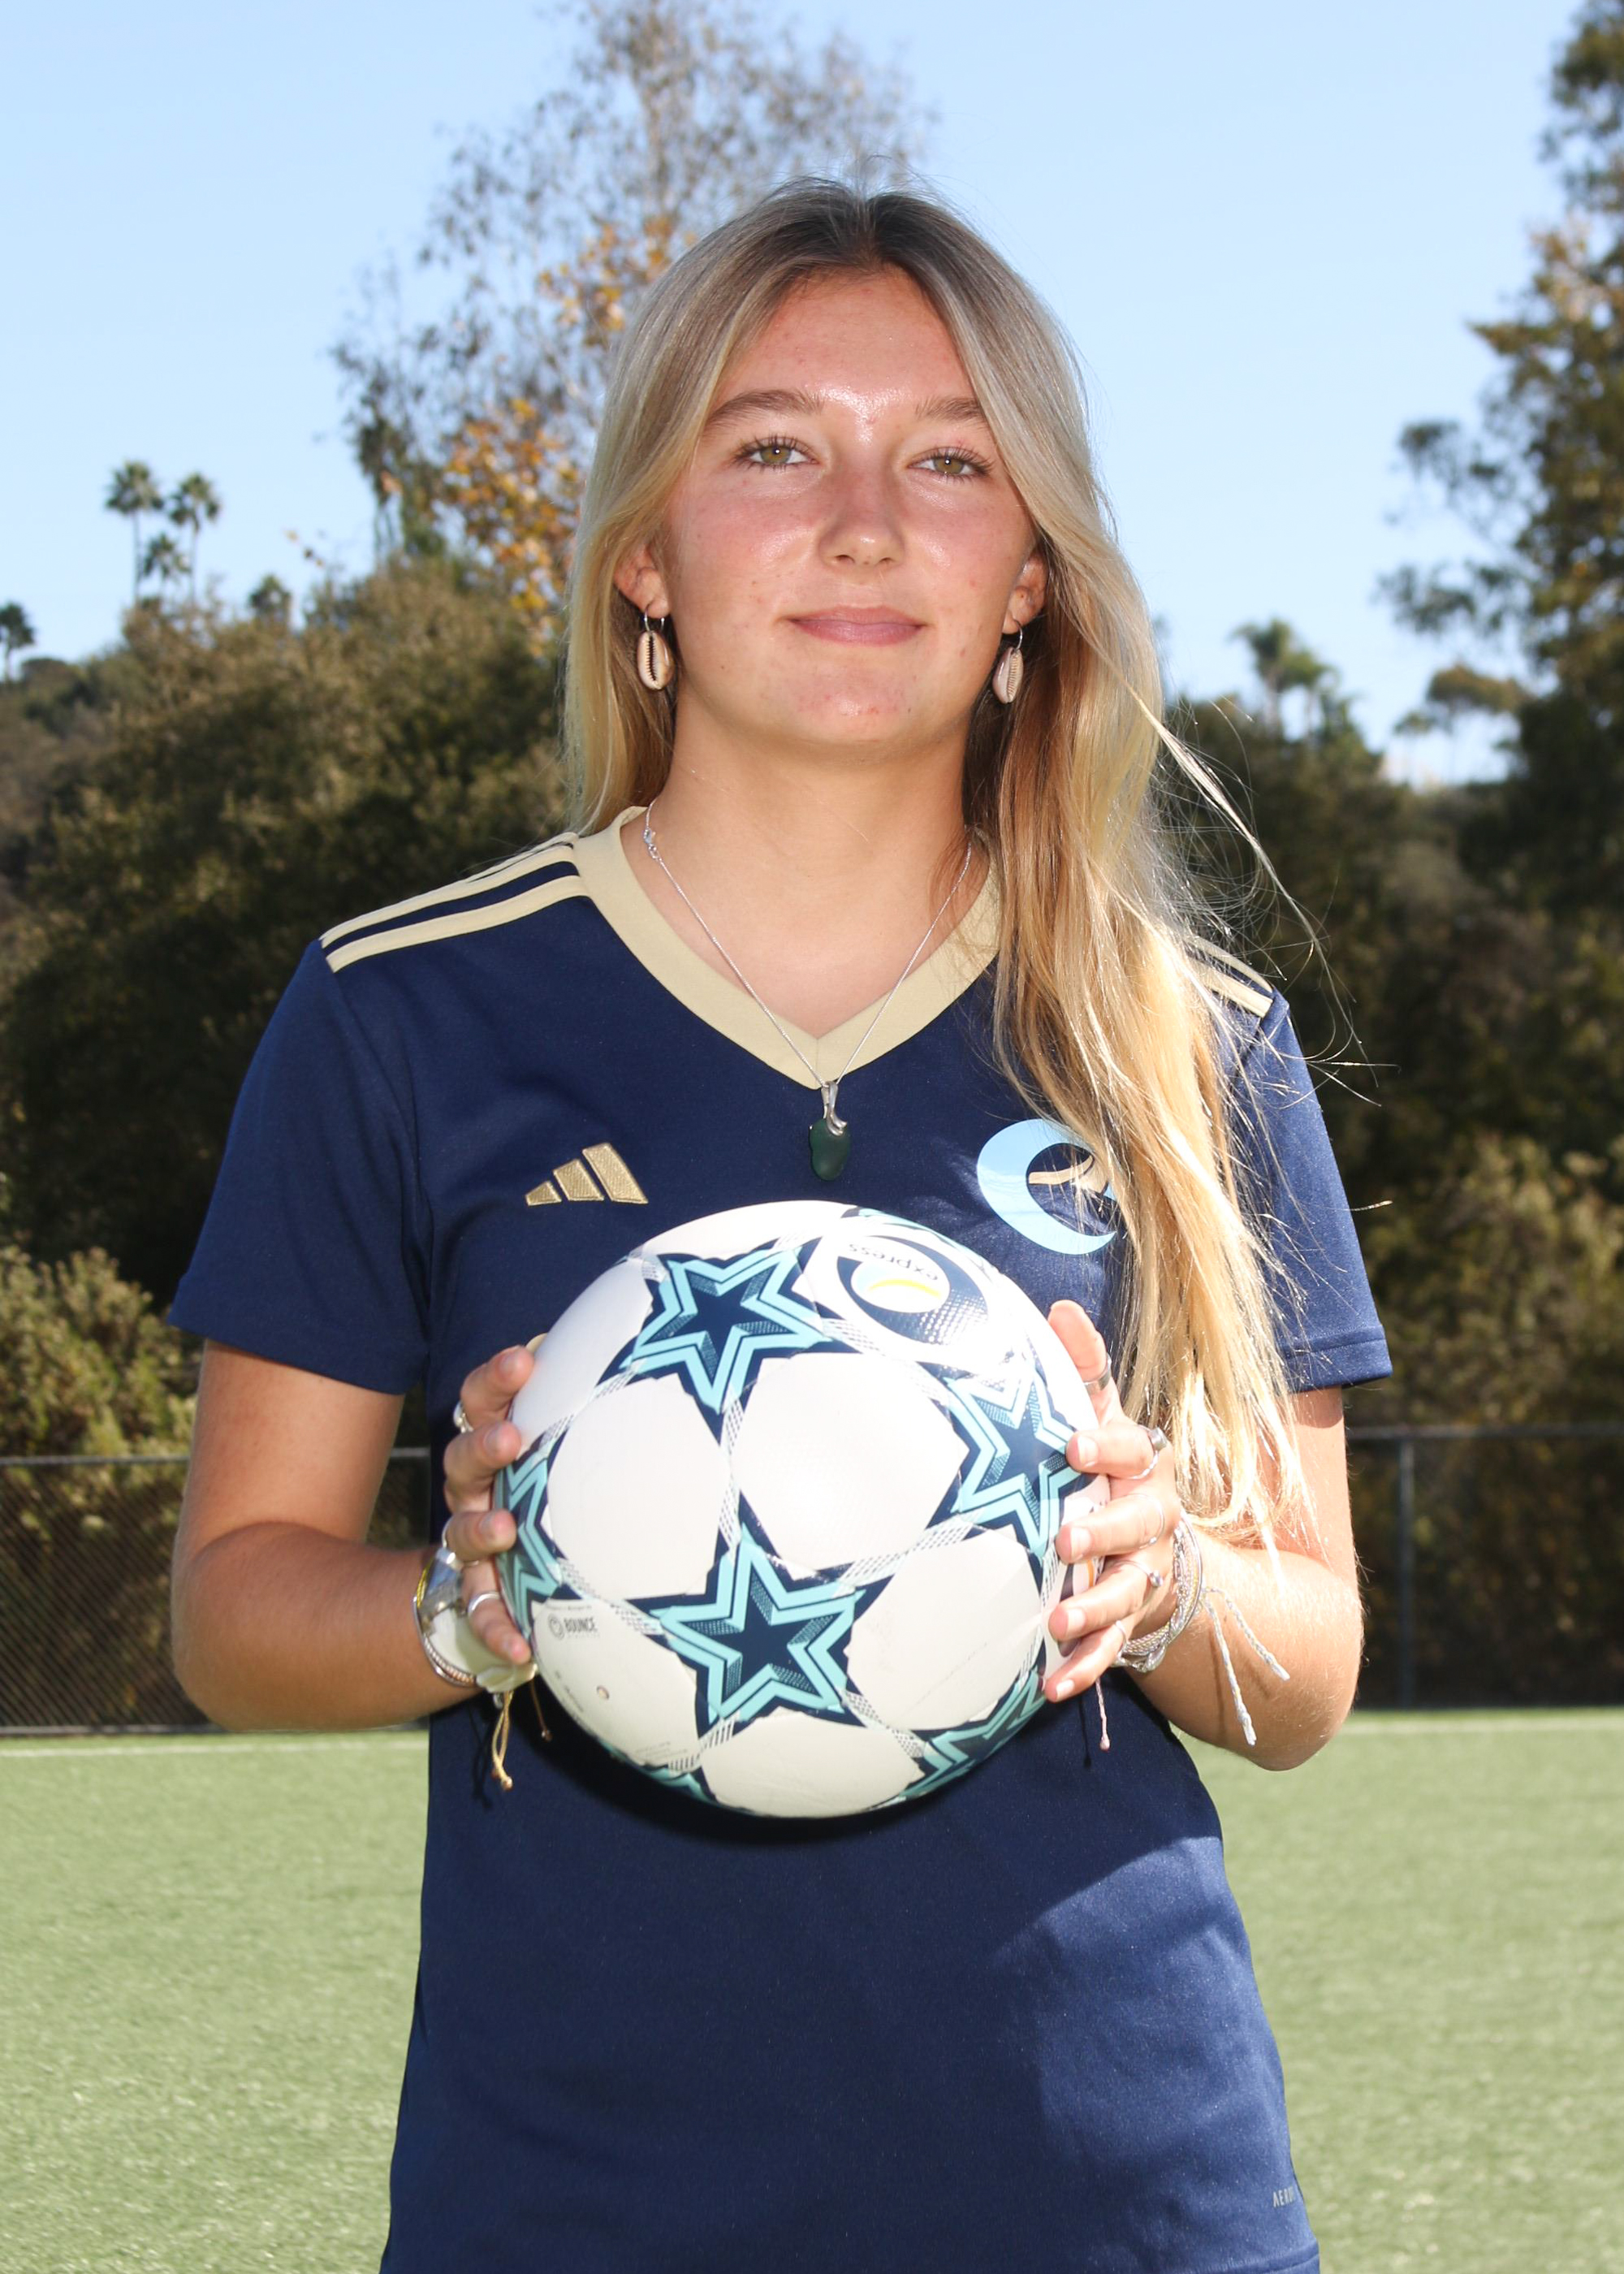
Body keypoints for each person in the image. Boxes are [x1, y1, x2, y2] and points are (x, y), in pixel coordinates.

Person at [168, 177, 1392, 2272]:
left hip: (1121, 2191)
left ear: (1031, 577)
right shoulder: (400, 1009)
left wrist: (1162, 1573)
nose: (865, 524)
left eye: (952, 461)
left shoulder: (1191, 1038)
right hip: (573, 2201)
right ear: (644, 553)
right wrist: (468, 1605)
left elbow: (1311, 1666)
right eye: (773, 448)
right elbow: (230, 1612)